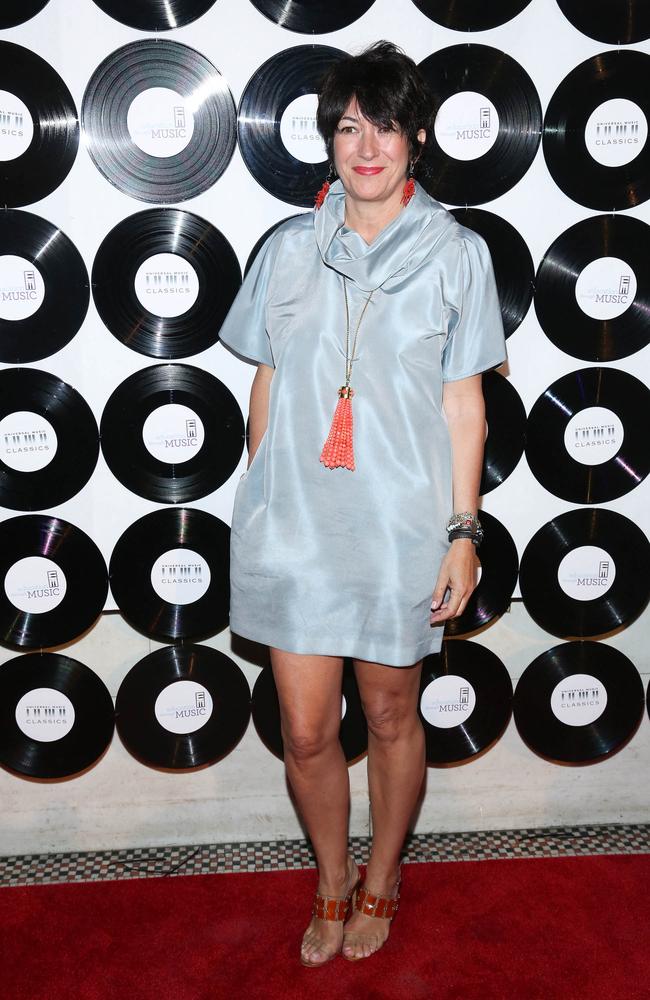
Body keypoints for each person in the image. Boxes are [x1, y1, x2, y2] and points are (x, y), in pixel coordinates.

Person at [218, 41, 507, 966]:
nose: (367, 145)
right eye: (349, 126)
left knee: (389, 717)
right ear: (329, 139)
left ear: (417, 138)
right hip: (297, 526)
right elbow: (266, 380)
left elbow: (467, 404)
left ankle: (382, 877)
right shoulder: (285, 248)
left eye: (385, 125)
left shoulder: (459, 255)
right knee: (305, 729)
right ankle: (331, 880)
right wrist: (259, 493)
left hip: (398, 529)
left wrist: (462, 534)